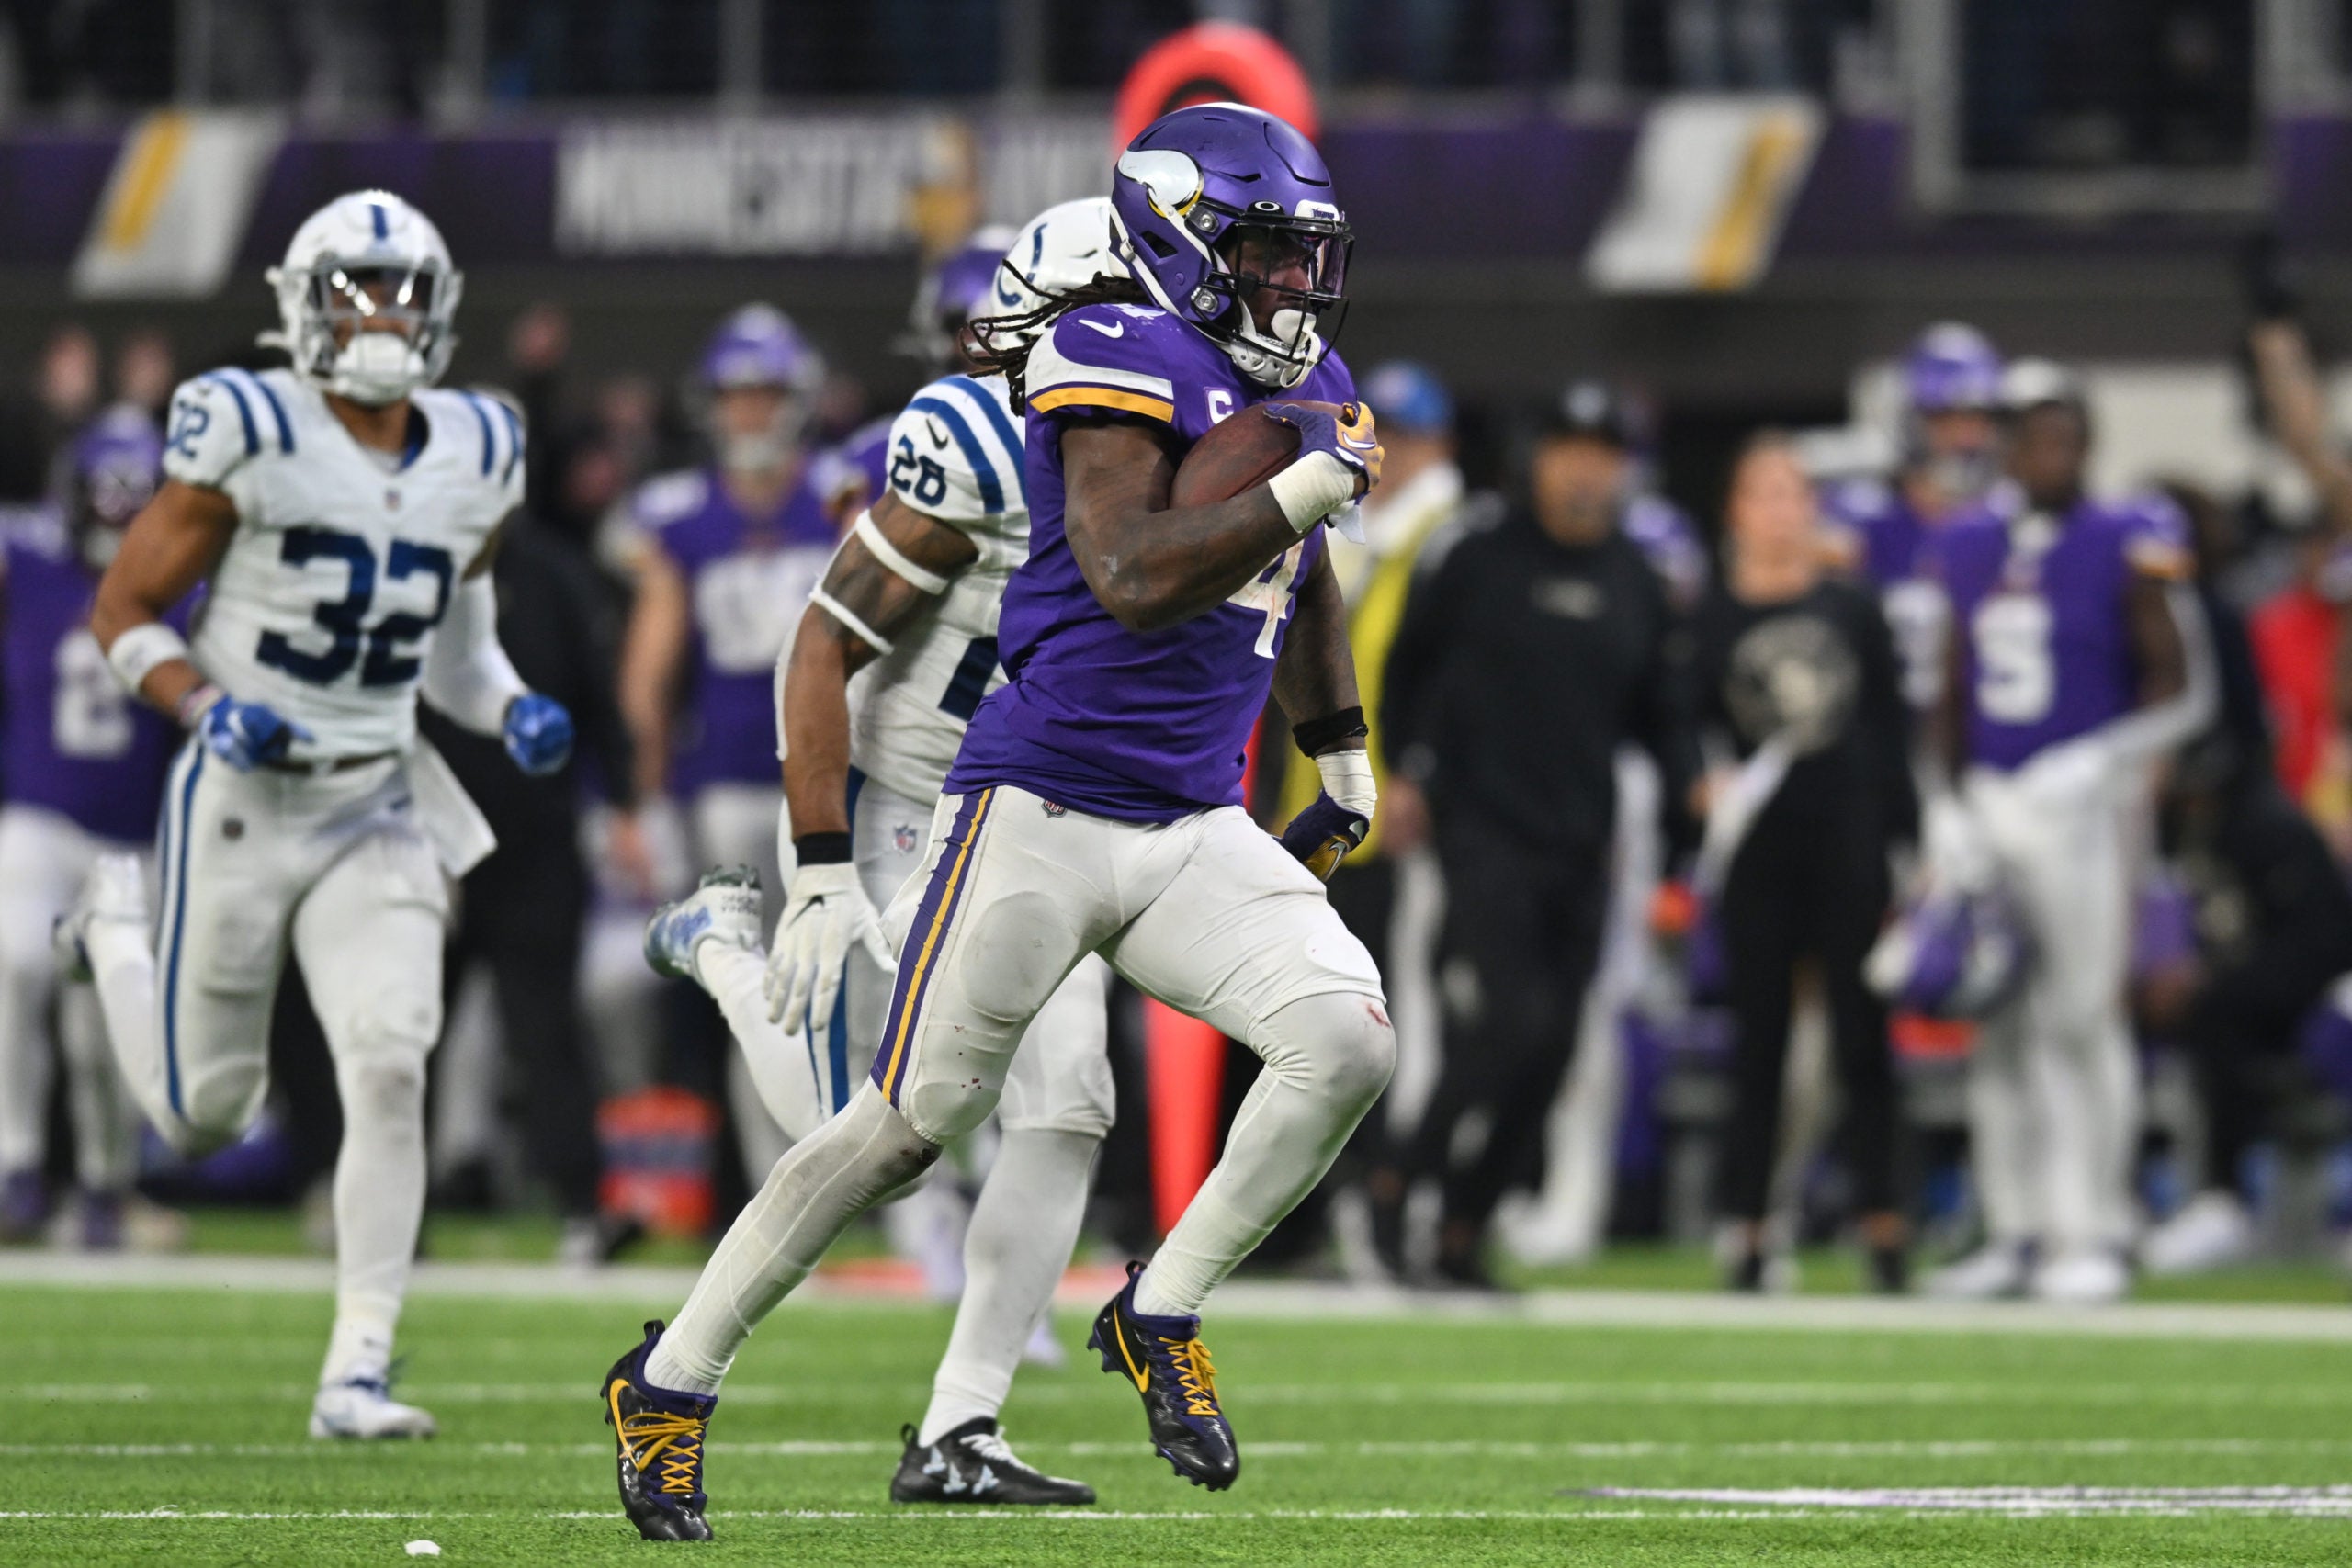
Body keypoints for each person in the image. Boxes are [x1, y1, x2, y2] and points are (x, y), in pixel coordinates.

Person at [596, 103, 1389, 1541]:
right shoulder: (1108, 349)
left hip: (1187, 822)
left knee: (1345, 1038)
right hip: (1033, 805)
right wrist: (1300, 477)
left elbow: (1306, 571)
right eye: (1264, 254)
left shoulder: (1304, 375)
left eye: (1302, 257)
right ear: (1180, 240)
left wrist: (1339, 750)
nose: (1291, 285)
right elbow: (1135, 572)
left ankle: (1158, 1306)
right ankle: (669, 1375)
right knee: (905, 1124)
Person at [57, 190, 575, 1436]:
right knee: (200, 1112)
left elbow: (459, 644)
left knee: (391, 1061)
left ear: (439, 307)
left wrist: (504, 704)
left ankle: (357, 1366)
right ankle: (115, 925)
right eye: (359, 288)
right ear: (308, 304)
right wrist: (201, 704)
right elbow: (124, 612)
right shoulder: (245, 423)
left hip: (376, 797)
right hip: (241, 796)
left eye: (403, 290)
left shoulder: (479, 445)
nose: (383, 313)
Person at [640, 199, 1123, 1506]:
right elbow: (828, 632)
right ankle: (731, 956)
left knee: (1070, 1092)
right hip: (915, 789)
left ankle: (964, 1423)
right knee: (863, 1127)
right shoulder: (948, 438)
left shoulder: (1157, 428)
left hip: (1047, 800)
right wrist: (815, 863)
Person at [1370, 378, 1701, 1290]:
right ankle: (1401, 1186)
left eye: (1601, 455)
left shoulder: (1635, 578)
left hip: (1582, 841)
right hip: (1478, 828)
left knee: (1554, 1047)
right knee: (1506, 1024)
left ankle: (1462, 1229)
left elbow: (1662, 714)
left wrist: (1688, 798)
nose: (1583, 471)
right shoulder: (1475, 554)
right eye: (1567, 452)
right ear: (1537, 460)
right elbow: (1409, 667)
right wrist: (1402, 770)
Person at [1921, 360, 2215, 1303]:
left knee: (2079, 1016)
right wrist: (1946, 798)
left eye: (2058, 430)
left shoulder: (2130, 535)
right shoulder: (1966, 543)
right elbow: (1949, 688)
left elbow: (2188, 686)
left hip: (2089, 804)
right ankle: (2013, 1227)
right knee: (1996, 1018)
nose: (2045, 449)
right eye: (2026, 431)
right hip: (1995, 800)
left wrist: (2103, 756)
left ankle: (2091, 1222)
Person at [616, 305, 838, 1178]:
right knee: (756, 990)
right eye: (738, 396)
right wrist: (646, 791)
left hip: (830, 776)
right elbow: (648, 674)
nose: (750, 413)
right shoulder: (681, 517)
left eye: (766, 394)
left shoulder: (839, 497)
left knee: (843, 982)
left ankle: (862, 1176)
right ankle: (771, 1178)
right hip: (728, 782)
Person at [1693, 433, 1917, 1292]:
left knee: (1864, 1037)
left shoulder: (1852, 607)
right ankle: (1749, 1224)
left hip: (1849, 841)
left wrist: (1912, 844)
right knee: (1760, 1044)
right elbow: (1682, 719)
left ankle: (1884, 1224)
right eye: (1765, 492)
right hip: (1758, 851)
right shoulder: (1712, 615)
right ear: (1736, 512)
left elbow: (1890, 733)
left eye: (1795, 492)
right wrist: (1696, 788)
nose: (1782, 510)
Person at [420, 502, 640, 1267]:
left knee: (545, 1029)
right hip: (426, 838)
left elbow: (599, 697)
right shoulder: (412, 563)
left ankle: (583, 1205)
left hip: (534, 841)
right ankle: (384, 1207)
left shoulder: (553, 575)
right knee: (399, 1033)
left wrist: (620, 803)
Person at [0, 409, 183, 1248]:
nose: (116, 520)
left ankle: (106, 1183)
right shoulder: (27, 559)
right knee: (14, 965)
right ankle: (17, 1163)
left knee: (102, 1025)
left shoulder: (189, 587)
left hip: (131, 840)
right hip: (36, 815)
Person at [1822, 323, 2007, 714]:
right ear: (1911, 422)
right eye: (1946, 420)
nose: (1965, 439)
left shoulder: (2011, 526)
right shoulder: (1860, 520)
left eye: (1977, 420)